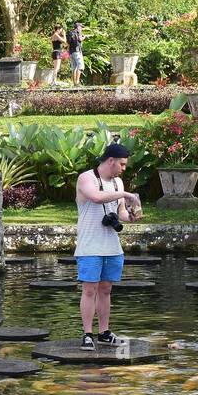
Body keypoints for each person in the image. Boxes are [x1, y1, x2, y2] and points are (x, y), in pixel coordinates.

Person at [74, 143, 143, 350]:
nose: (123, 168)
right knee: (89, 290)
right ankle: (87, 334)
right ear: (110, 160)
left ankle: (104, 332)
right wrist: (124, 195)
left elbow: (119, 211)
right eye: (122, 164)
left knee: (106, 289)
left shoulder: (118, 183)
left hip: (112, 246)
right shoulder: (86, 178)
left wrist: (130, 216)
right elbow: (96, 198)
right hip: (89, 246)